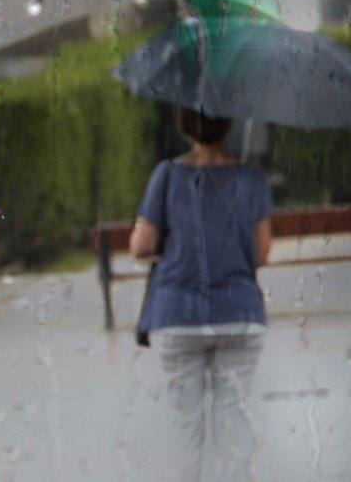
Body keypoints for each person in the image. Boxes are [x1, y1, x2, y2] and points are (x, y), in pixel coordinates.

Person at [129, 107, 273, 482]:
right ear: (228, 124)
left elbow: (140, 246)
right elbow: (261, 253)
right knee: (235, 432)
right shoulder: (252, 178)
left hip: (177, 315)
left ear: (185, 124)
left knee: (183, 435)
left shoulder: (167, 175)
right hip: (239, 313)